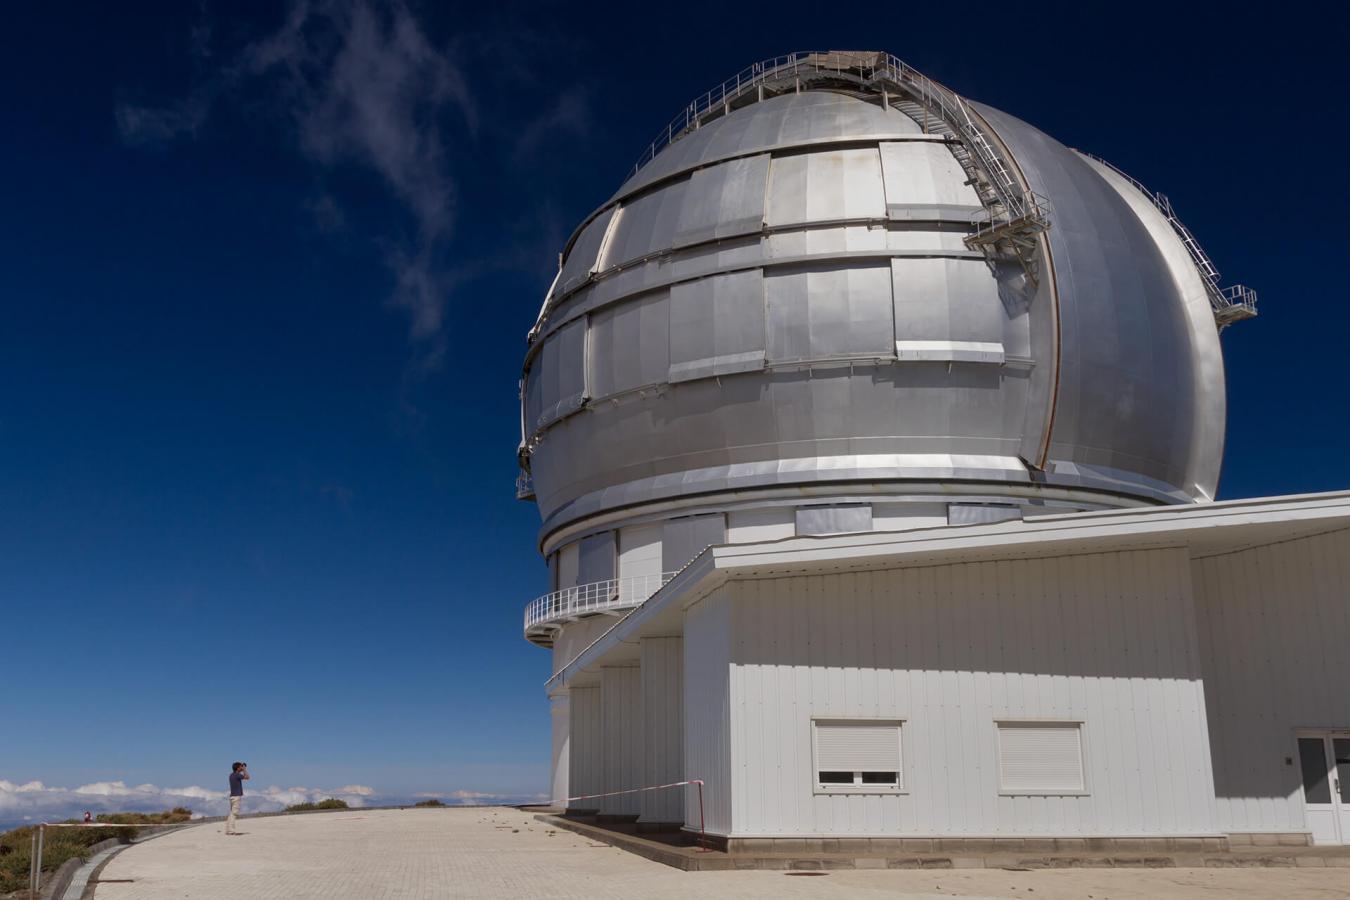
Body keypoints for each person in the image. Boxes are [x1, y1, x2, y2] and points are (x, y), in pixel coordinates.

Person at [226, 761, 249, 835]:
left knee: (231, 814)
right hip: (236, 797)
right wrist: (244, 769)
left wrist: (242, 769)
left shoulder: (231, 775)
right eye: (240, 767)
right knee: (234, 814)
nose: (241, 768)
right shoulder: (237, 775)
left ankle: (228, 830)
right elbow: (247, 777)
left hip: (232, 796)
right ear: (237, 768)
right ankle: (231, 831)